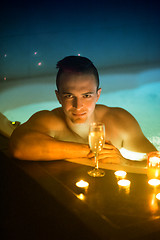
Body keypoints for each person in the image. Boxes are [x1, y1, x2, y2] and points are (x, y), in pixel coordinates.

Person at [10, 56, 157, 165]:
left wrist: (125, 162)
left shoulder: (119, 120)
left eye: (86, 96)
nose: (78, 105)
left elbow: (155, 161)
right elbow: (19, 147)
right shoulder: (49, 120)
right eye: (69, 96)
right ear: (58, 97)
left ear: (98, 95)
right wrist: (94, 150)